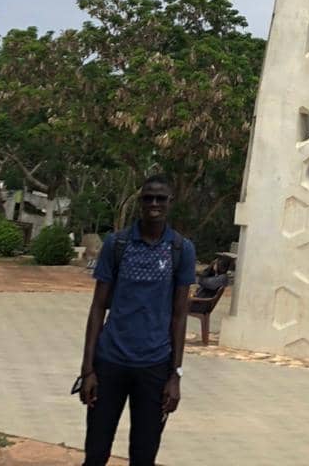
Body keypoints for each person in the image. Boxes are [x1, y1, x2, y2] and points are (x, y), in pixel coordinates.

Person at [78, 175, 196, 466]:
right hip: (110, 362)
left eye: (160, 198)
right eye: (148, 198)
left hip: (155, 366)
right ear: (139, 202)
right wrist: (88, 369)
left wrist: (175, 376)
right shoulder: (116, 244)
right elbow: (97, 308)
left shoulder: (181, 249)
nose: (154, 203)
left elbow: (180, 318)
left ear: (170, 202)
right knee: (95, 453)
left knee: (143, 456)